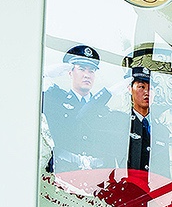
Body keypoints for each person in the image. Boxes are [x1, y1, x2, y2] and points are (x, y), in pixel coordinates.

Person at [42, 44, 123, 172]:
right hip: (64, 171)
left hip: (97, 176)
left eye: (91, 71)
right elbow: (31, 95)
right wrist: (45, 74)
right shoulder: (57, 100)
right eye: (81, 69)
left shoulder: (104, 111)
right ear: (70, 73)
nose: (87, 75)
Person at [125, 66, 170, 179]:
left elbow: (165, 172)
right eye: (141, 87)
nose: (147, 92)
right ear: (130, 89)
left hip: (154, 188)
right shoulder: (123, 124)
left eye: (151, 89)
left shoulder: (162, 130)